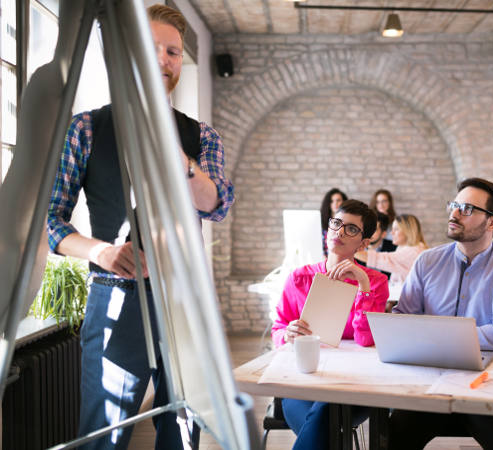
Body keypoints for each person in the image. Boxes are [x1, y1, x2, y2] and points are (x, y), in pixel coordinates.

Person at [46, 5, 234, 449]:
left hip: (185, 299)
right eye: (153, 50)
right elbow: (49, 220)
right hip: (115, 297)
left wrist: (177, 154)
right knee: (103, 435)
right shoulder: (86, 129)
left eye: (172, 52)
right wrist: (100, 252)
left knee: (184, 432)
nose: (165, 60)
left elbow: (217, 204)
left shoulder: (201, 137)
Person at [388, 178, 493, 450]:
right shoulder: (427, 261)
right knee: (390, 442)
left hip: (484, 385)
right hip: (427, 383)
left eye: (466, 209)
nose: (454, 214)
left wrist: (433, 333)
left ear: (492, 222)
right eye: (454, 205)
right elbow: (402, 322)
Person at [272, 199, 389, 450]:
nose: (340, 232)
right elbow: (278, 329)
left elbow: (365, 340)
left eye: (351, 229)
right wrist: (287, 334)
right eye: (336, 223)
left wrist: (363, 288)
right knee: (322, 422)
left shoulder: (375, 282)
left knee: (324, 414)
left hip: (355, 383)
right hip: (303, 379)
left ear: (364, 243)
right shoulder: (299, 278)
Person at [355, 213, 428, 283]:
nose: (391, 233)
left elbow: (381, 259)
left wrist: (349, 249)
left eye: (396, 229)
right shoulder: (403, 248)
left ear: (408, 231)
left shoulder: (414, 251)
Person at [320, 188, 347, 256]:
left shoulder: (348, 221)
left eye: (338, 200)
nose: (335, 203)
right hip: (323, 259)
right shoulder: (321, 221)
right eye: (332, 201)